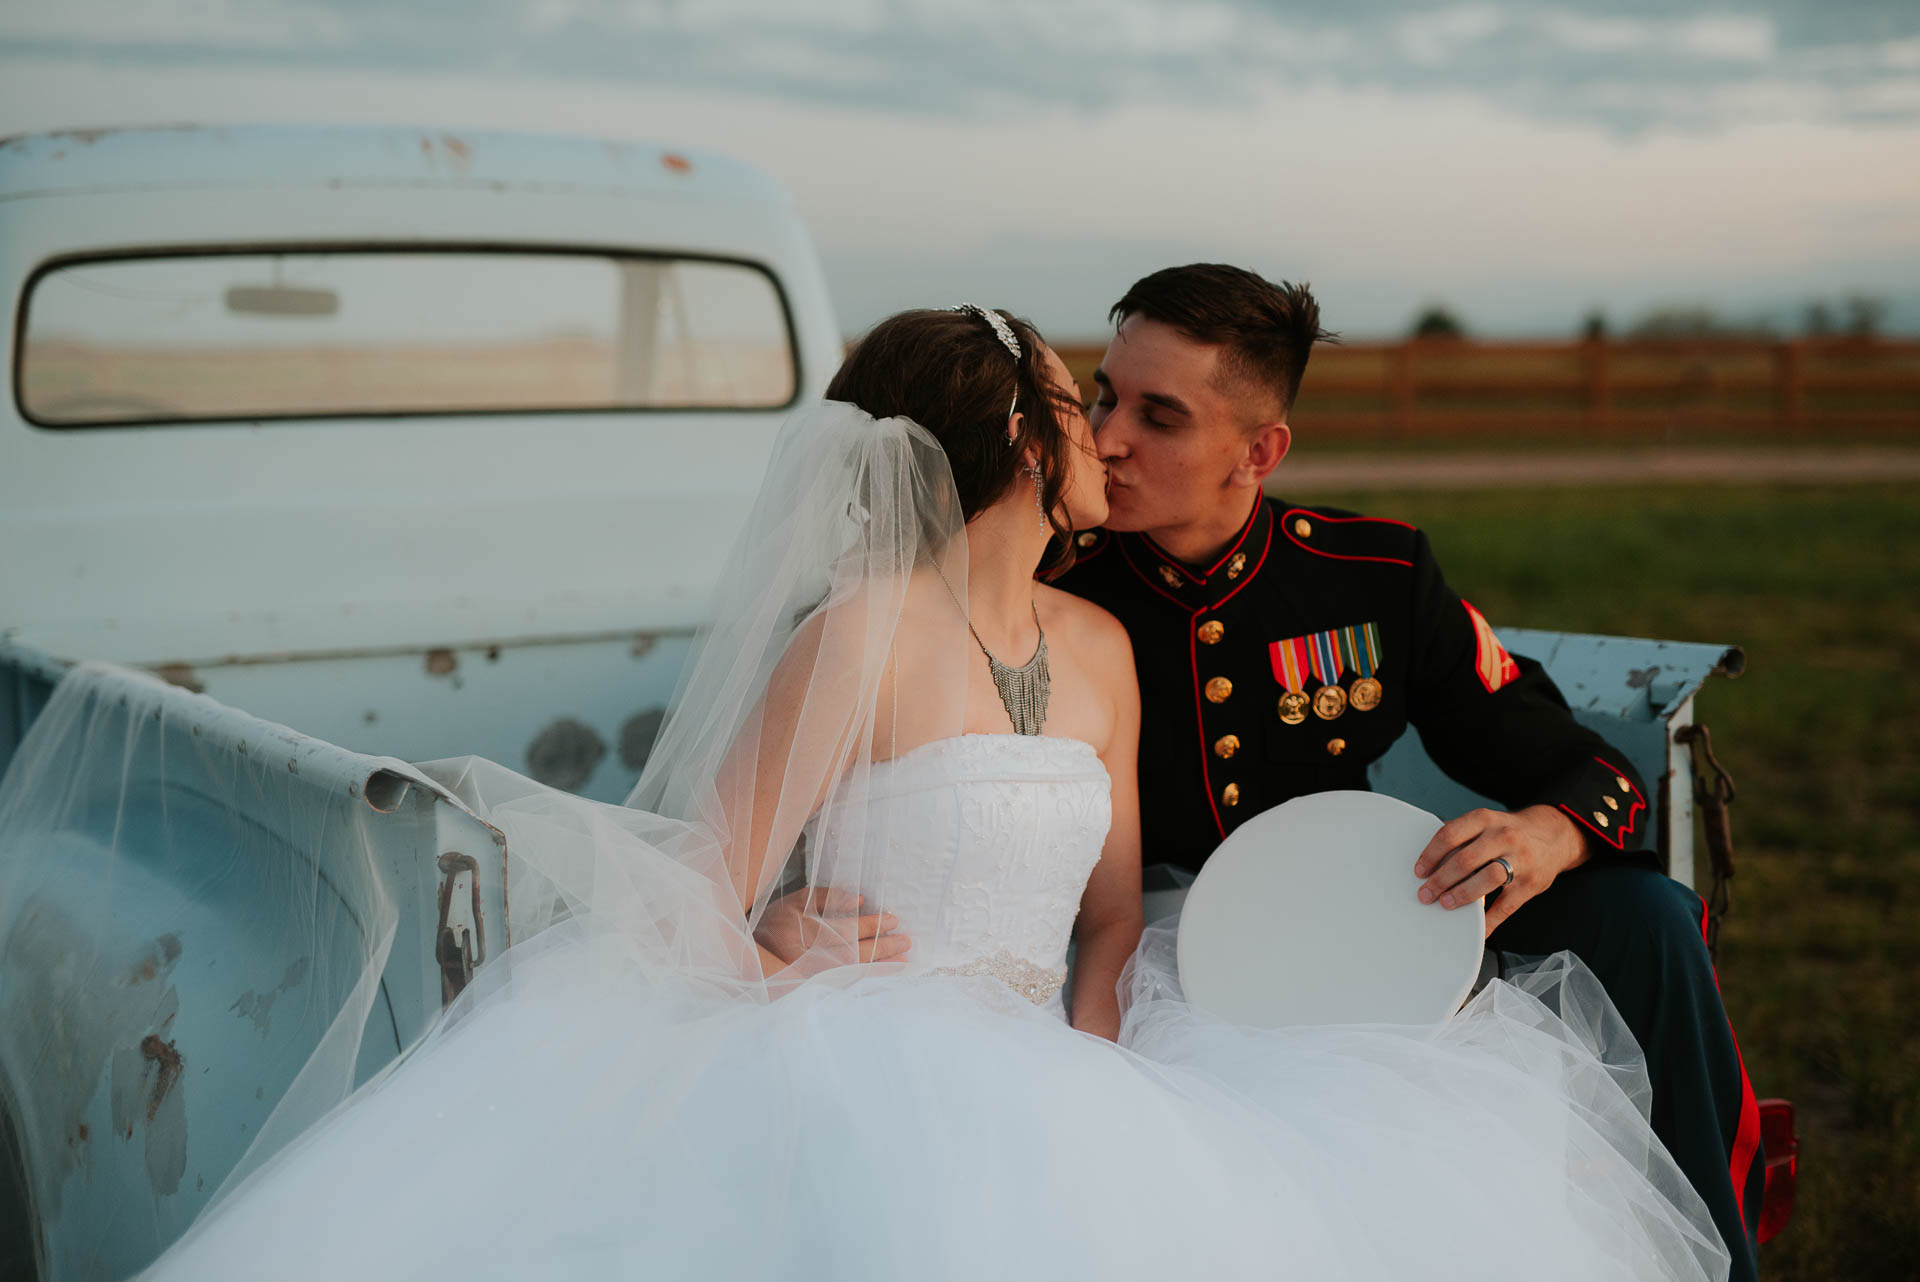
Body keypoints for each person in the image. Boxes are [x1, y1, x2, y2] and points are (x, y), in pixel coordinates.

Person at [124, 306, 1725, 1281]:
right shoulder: (862, 634)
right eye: (1079, 402)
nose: (1103, 431)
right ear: (1017, 443)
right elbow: (707, 872)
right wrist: (773, 941)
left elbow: (1111, 913)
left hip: (1083, 1025)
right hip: (868, 1040)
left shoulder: (1102, 640)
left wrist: (1096, 1051)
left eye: (1139, 411)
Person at [1047, 264, 1765, 1282]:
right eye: (1104, 394)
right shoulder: (1051, 577)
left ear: (1259, 452)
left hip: (1353, 937)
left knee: (1644, 916)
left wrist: (1547, 834)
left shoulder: (1369, 574)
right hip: (1133, 953)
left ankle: (1718, 1261)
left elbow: (1572, 761)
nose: (1110, 438)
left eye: (1159, 416)